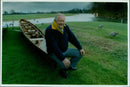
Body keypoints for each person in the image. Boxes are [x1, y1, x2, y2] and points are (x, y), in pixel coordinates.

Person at [45, 13, 85, 78]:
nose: (62, 23)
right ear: (55, 21)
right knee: (64, 64)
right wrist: (63, 59)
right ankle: (62, 71)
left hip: (65, 49)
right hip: (53, 52)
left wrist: (80, 48)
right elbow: (54, 46)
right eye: (60, 21)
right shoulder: (49, 30)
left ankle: (70, 66)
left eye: (63, 21)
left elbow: (72, 38)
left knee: (79, 53)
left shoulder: (65, 27)